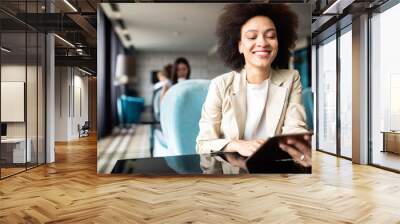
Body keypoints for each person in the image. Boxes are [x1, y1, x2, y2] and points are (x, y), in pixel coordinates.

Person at [196, 4, 311, 167]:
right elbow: (203, 143)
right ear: (239, 46)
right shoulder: (220, 85)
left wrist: (301, 144)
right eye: (251, 37)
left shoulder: (291, 78)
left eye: (271, 36)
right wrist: (237, 145)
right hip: (233, 175)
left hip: (278, 173)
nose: (263, 43)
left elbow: (295, 128)